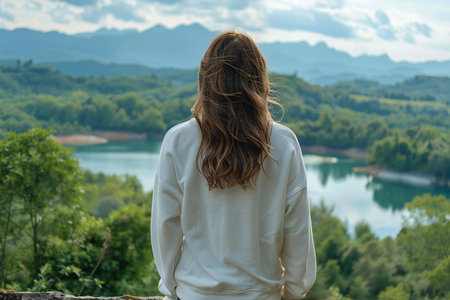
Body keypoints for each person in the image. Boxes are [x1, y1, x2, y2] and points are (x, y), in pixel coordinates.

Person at [151, 31, 316, 300]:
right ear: (260, 78)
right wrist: (294, 292)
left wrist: (173, 288)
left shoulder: (178, 140)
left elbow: (165, 226)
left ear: (206, 79)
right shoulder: (284, 143)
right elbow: (297, 231)